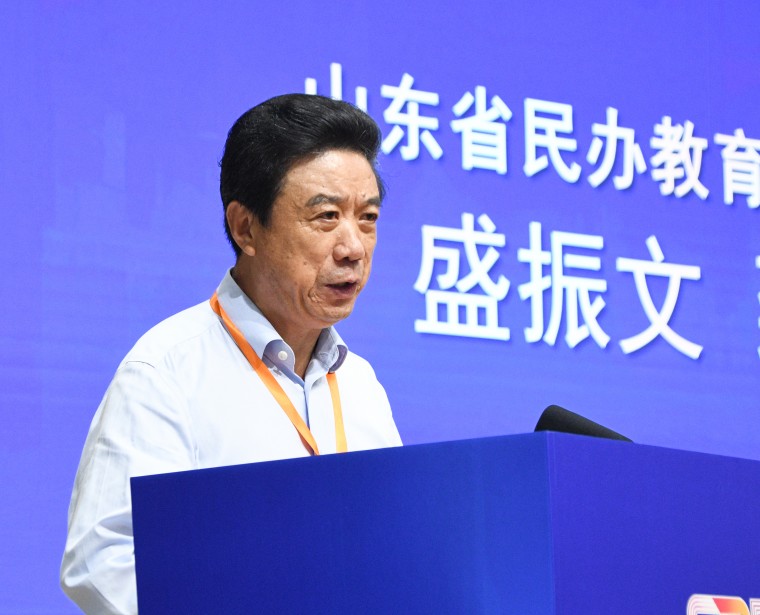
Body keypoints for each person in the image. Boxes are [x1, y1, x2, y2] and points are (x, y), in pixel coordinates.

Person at [60, 94, 402, 615]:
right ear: (246, 228)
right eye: (326, 216)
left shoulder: (361, 384)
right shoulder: (166, 373)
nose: (353, 247)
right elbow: (103, 560)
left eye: (368, 217)